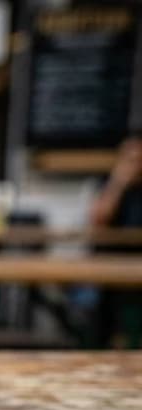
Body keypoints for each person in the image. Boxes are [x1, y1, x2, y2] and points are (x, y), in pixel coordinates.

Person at [88, 133, 142, 348]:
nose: (136, 165)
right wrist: (118, 182)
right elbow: (98, 219)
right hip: (107, 270)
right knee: (101, 315)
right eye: (130, 159)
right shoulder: (109, 184)